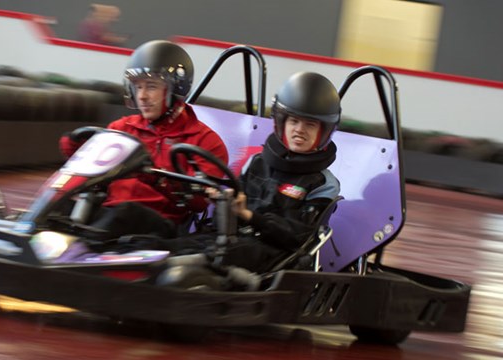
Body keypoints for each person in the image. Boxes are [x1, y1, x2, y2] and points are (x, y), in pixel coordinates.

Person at [59, 40, 228, 239]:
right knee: (63, 203)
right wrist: (75, 146)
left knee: (127, 212)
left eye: (151, 86)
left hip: (160, 226)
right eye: (137, 87)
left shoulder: (204, 141)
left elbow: (198, 202)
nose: (142, 96)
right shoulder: (122, 128)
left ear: (175, 88)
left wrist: (156, 177)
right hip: (110, 214)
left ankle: (79, 247)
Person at [207, 71, 342, 273]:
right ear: (281, 123)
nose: (299, 130)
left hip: (273, 257)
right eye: (294, 121)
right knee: (170, 245)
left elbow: (299, 238)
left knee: (211, 258)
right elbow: (222, 221)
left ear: (323, 132)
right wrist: (223, 203)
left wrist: (250, 216)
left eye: (310, 124)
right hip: (231, 241)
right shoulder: (257, 162)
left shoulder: (324, 184)